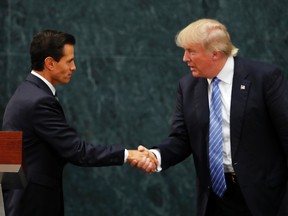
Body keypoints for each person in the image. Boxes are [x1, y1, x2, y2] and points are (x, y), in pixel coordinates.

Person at [133, 18, 288, 216]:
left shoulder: (265, 78)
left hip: (264, 199)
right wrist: (155, 156)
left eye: (191, 51)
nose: (185, 58)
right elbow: (181, 139)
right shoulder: (187, 86)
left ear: (215, 53)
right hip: (215, 200)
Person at [2, 30, 156, 216]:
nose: (74, 67)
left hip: (21, 201)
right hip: (34, 205)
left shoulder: (25, 93)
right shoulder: (39, 101)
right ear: (50, 63)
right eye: (69, 61)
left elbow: (8, 159)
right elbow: (79, 152)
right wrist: (128, 155)